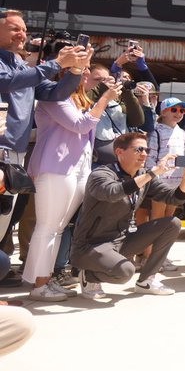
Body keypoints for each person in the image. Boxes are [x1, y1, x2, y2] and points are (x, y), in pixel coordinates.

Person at [22, 72, 121, 302]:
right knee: (47, 228)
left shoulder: (80, 101)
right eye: (81, 69)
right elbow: (80, 125)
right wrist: (104, 99)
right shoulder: (53, 96)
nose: (86, 74)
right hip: (54, 167)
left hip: (78, 168)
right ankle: (38, 285)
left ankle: (46, 279)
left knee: (57, 229)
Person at [0, 11, 90, 255]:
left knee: (3, 221)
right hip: (1, 152)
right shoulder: (16, 69)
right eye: (15, 29)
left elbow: (56, 92)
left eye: (24, 29)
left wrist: (76, 69)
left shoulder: (22, 66)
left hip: (15, 157)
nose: (22, 35)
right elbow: (8, 81)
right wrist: (57, 63)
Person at [70, 132, 185, 299]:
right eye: (138, 149)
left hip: (121, 240)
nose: (144, 154)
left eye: (146, 150)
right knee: (125, 272)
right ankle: (88, 275)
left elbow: (175, 198)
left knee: (172, 223)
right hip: (91, 246)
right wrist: (152, 173)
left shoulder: (142, 175)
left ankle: (147, 281)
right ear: (120, 152)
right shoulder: (101, 174)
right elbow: (113, 193)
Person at [147, 96, 185, 220]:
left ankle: (166, 234)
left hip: (177, 181)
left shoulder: (182, 133)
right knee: (157, 216)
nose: (179, 113)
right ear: (164, 112)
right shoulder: (156, 131)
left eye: (182, 110)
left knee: (169, 216)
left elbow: (182, 155)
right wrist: (153, 177)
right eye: (174, 110)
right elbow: (150, 157)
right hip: (160, 181)